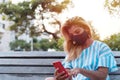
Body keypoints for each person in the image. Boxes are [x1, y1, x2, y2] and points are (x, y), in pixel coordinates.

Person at [45, 16, 118, 80]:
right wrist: (60, 77)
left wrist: (81, 70)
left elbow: (102, 76)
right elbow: (68, 75)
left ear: (86, 29)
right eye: (71, 35)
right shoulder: (72, 51)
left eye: (77, 31)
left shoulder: (101, 48)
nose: (75, 36)